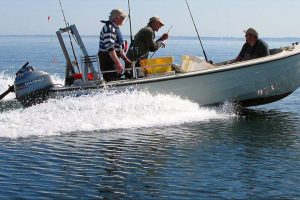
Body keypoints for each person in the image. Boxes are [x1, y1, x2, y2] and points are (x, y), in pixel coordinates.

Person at [98, 9, 132, 82]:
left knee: (116, 78)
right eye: (123, 17)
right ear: (117, 18)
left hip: (113, 59)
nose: (124, 19)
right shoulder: (109, 28)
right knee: (112, 80)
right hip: (108, 60)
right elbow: (110, 48)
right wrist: (118, 63)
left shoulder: (114, 27)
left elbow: (118, 48)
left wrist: (125, 59)